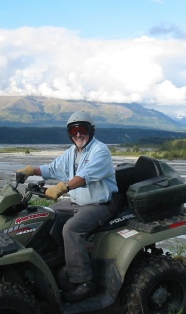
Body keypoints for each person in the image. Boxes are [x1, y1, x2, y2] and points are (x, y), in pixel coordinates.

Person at [17, 110, 118, 303]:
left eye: (83, 129)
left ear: (91, 130)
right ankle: (58, 261)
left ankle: (83, 283)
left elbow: (85, 176)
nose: (78, 134)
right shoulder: (72, 153)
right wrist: (31, 170)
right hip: (76, 202)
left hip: (99, 204)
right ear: (69, 134)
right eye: (74, 130)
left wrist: (63, 187)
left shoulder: (100, 151)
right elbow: (53, 168)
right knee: (45, 215)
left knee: (71, 229)